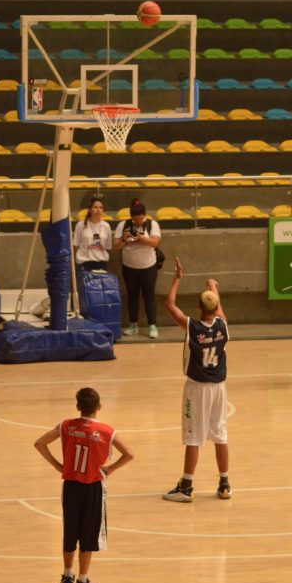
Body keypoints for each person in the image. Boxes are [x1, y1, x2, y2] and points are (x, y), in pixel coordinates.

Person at [34, 387, 135, 583]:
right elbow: (129, 454)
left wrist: (57, 465)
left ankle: (67, 578)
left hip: (70, 485)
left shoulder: (66, 426)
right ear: (98, 407)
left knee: (70, 533)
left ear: (77, 406)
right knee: (88, 536)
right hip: (93, 489)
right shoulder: (107, 431)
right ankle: (82, 582)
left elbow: (39, 443)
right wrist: (110, 469)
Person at [161, 257, 231, 503]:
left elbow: (170, 305)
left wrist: (177, 278)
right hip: (219, 388)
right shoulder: (223, 325)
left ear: (199, 309)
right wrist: (213, 286)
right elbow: (217, 306)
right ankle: (224, 483)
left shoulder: (193, 327)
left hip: (197, 389)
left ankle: (187, 486)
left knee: (193, 437)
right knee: (220, 435)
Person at [112, 199, 162, 338]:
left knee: (149, 296)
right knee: (132, 296)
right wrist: (124, 239)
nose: (138, 222)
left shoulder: (152, 224)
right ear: (131, 217)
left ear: (144, 216)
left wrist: (139, 237)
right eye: (135, 220)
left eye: (140, 220)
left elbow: (155, 242)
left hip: (149, 267)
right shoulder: (123, 225)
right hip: (129, 267)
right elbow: (115, 247)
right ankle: (133, 324)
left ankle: (152, 325)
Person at [73, 197, 112, 272]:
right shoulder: (80, 225)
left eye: (100, 208)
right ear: (89, 210)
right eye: (95, 207)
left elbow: (107, 247)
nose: (98, 209)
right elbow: (75, 245)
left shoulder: (106, 226)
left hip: (101, 262)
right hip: (84, 262)